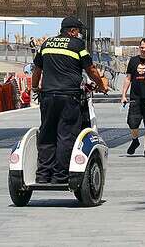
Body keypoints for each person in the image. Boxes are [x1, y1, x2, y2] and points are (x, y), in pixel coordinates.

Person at [32, 16, 107, 184]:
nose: (79, 35)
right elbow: (91, 69)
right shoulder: (77, 45)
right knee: (66, 135)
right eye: (78, 31)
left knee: (47, 134)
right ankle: (60, 176)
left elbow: (37, 69)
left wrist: (35, 88)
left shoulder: (46, 44)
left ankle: (43, 175)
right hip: (69, 97)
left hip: (48, 96)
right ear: (72, 31)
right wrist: (101, 86)